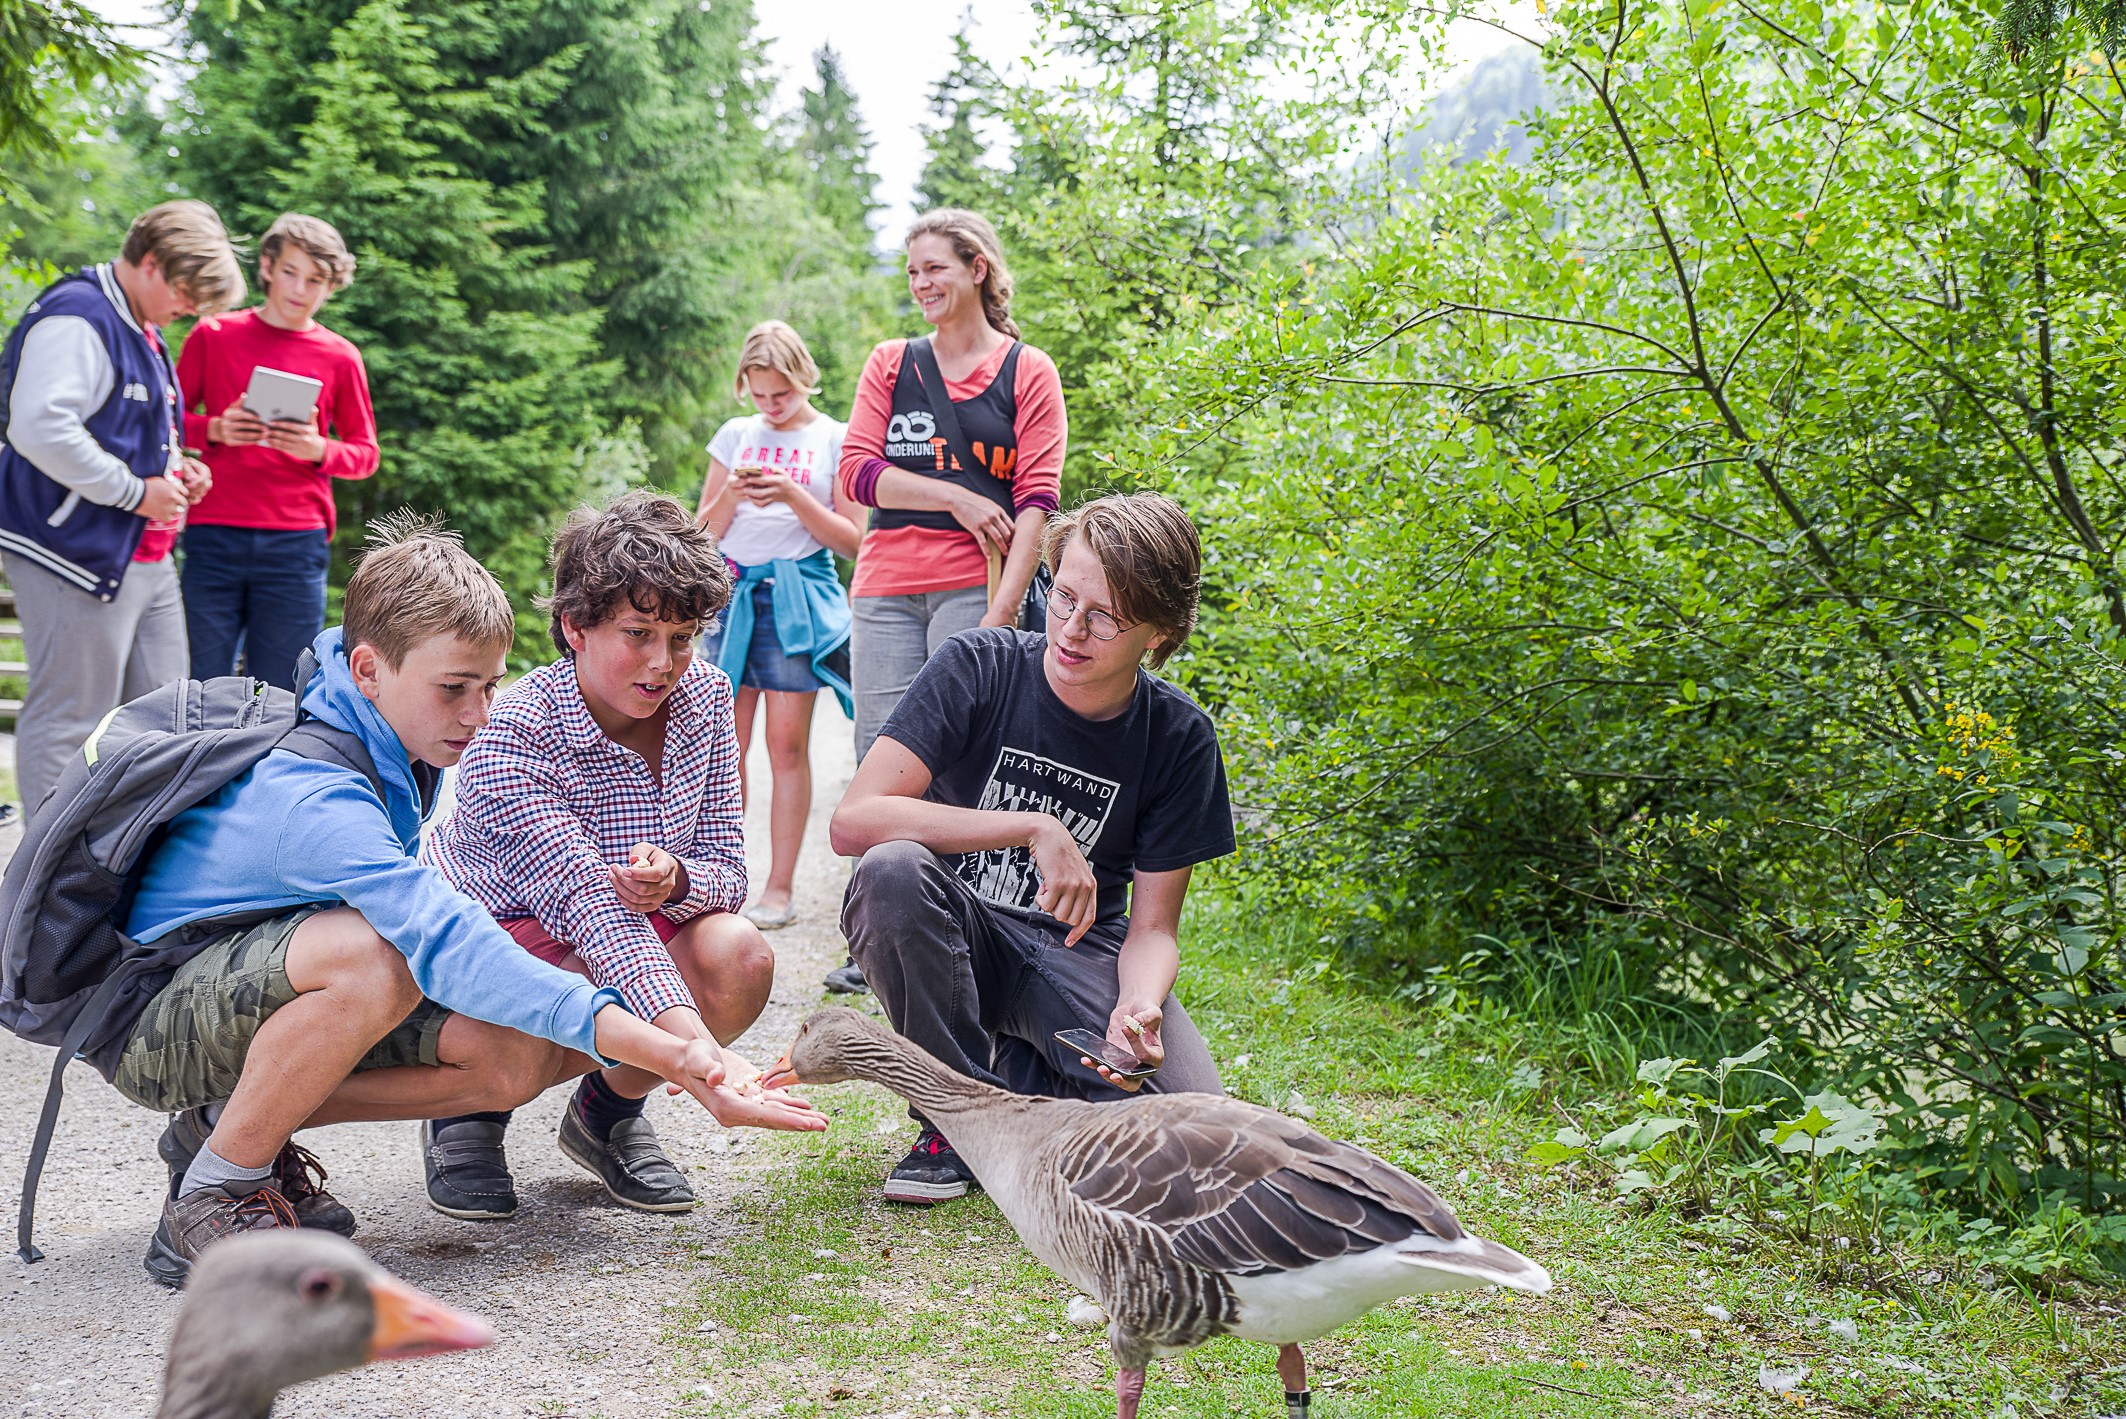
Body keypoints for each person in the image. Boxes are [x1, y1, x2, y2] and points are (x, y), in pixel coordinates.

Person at [117, 515, 819, 1285]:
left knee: (491, 1031)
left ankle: (251, 1137)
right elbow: (460, 937)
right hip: (150, 1018)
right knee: (378, 953)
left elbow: (710, 869)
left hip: (235, 985)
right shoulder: (323, 794)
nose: (481, 714)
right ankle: (216, 1184)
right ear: (368, 668)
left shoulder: (392, 740)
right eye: (456, 688)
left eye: (488, 685)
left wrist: (682, 1011)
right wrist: (689, 1058)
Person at [829, 493, 1232, 1205]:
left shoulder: (1180, 738)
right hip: (957, 939)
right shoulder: (979, 666)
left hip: (1074, 955)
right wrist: (1031, 825)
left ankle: (1020, 1074)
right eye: (1063, 595)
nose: (1071, 628)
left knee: (1195, 1141)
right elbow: (855, 822)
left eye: (1104, 615)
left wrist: (1137, 1006)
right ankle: (952, 1120)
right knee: (891, 869)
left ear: (1160, 635)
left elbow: (1153, 929)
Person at [424, 491, 780, 1219]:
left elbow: (729, 869)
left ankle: (606, 1113)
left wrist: (676, 879)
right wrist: (699, 1056)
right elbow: (591, 911)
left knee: (739, 955)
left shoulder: (709, 699)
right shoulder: (516, 729)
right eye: (639, 633)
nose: (664, 662)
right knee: (586, 978)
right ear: (575, 626)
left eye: (682, 637)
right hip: (503, 933)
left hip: (616, 931)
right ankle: (472, 1108)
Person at [830, 207, 1068, 993]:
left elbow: (1036, 500)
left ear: (976, 268)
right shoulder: (891, 364)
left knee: (965, 763)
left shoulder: (1027, 372)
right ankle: (876, 933)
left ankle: (964, 926)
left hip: (976, 588)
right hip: (886, 585)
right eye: (910, 272)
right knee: (881, 761)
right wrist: (957, 499)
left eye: (933, 267)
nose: (920, 283)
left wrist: (1002, 612)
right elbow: (858, 474)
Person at [0, 200, 238, 826]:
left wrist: (179, 467)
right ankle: (42, 885)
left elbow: (128, 427)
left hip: (144, 554)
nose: (189, 308)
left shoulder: (140, 325)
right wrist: (136, 491)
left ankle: (126, 868)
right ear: (152, 263)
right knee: (70, 717)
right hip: (72, 552)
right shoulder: (78, 317)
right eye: (186, 292)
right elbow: (39, 426)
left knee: (165, 715)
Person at [696, 320, 859, 933]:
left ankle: (780, 886)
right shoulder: (735, 435)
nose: (770, 406)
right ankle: (718, 880)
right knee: (719, 747)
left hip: (797, 596)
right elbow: (701, 533)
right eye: (760, 395)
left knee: (786, 747)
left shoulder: (834, 438)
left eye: (781, 395)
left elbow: (853, 539)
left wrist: (792, 495)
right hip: (729, 595)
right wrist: (734, 497)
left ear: (802, 379)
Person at [176, 212, 379, 690]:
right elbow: (165, 423)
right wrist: (217, 428)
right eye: (290, 272)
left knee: (285, 689)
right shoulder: (213, 334)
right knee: (199, 684)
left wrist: (316, 448)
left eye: (316, 280)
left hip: (294, 541)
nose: (300, 289)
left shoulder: (340, 355)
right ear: (266, 267)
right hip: (214, 532)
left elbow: (365, 454)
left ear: (332, 286)